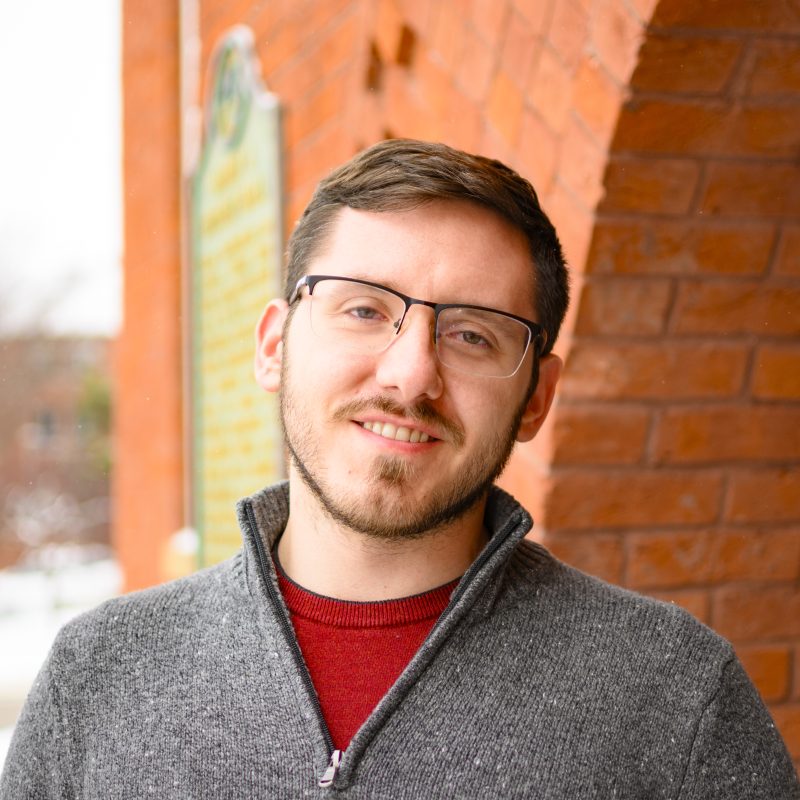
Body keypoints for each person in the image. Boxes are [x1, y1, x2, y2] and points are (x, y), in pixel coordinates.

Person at [2, 139, 797, 799]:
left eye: (473, 335)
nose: (410, 376)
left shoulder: (673, 696)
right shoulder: (101, 677)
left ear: (534, 398)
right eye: (364, 310)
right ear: (274, 346)